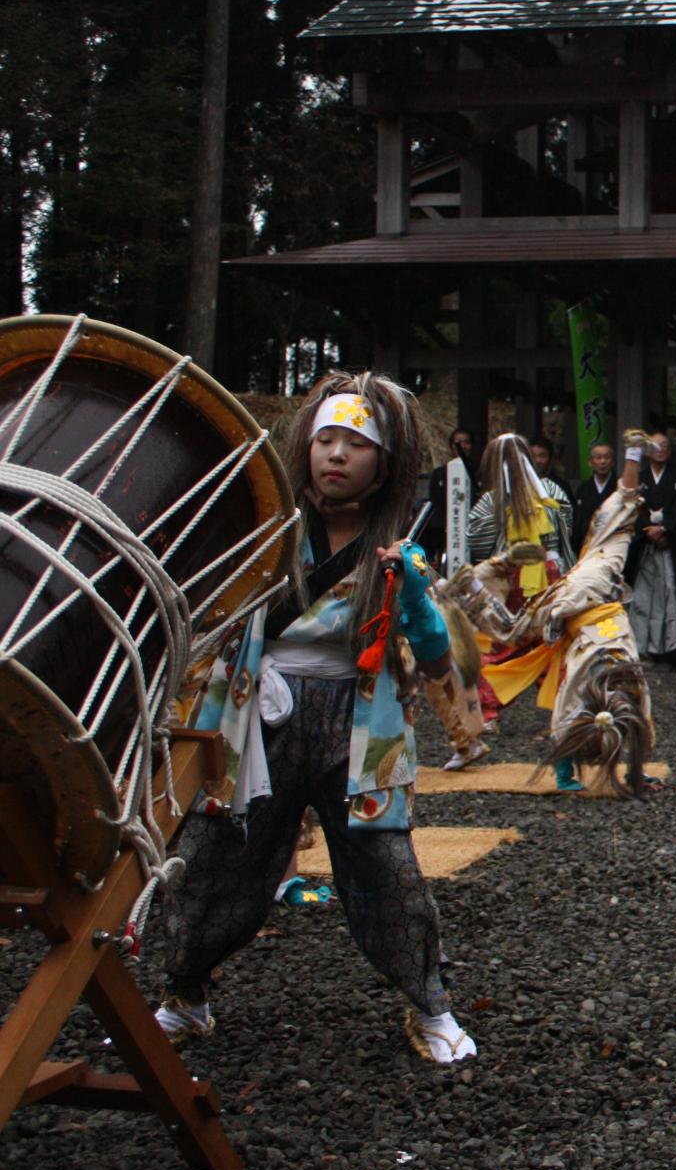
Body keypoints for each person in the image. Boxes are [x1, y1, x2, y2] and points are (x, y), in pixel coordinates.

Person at [153, 373, 477, 1064]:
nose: (336, 455)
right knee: (216, 860)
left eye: (355, 444)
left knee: (387, 866)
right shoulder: (259, 534)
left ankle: (430, 1005)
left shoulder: (399, 554)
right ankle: (185, 994)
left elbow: (432, 650)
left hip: (358, 724)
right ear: (302, 447)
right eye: (325, 439)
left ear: (383, 464)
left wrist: (414, 591)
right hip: (255, 719)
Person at [446, 429, 662, 795]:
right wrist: (486, 575)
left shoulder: (600, 551)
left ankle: (609, 769)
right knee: (597, 695)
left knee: (601, 697)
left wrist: (634, 455)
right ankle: (578, 767)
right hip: (557, 599)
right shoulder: (595, 556)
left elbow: (623, 503)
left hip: (578, 610)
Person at [466, 432, 575, 599]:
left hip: (506, 578)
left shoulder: (491, 501)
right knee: (549, 622)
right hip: (553, 571)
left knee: (512, 625)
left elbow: (477, 545)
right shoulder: (552, 491)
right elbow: (567, 528)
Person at [626, 430, 676, 661]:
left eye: (665, 447)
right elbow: (630, 507)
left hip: (672, 543)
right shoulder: (639, 477)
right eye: (656, 446)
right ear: (648, 450)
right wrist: (647, 529)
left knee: (674, 591)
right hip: (645, 544)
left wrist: (665, 528)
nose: (661, 450)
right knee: (644, 595)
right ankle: (642, 644)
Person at [419, 426, 476, 562]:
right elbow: (436, 502)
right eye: (457, 442)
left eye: (466, 442)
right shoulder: (439, 474)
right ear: (451, 447)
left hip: (473, 531)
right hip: (444, 530)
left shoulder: (478, 472)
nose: (462, 446)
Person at [570, 440, 618, 556]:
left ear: (613, 462)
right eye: (598, 457)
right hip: (588, 545)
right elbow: (578, 521)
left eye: (607, 458)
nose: (602, 461)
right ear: (590, 462)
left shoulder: (619, 486)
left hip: (612, 544)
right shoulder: (583, 489)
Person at [528, 435, 570, 500]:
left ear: (550, 459)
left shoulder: (560, 486)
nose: (537, 460)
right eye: (533, 456)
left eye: (542, 456)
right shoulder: (518, 484)